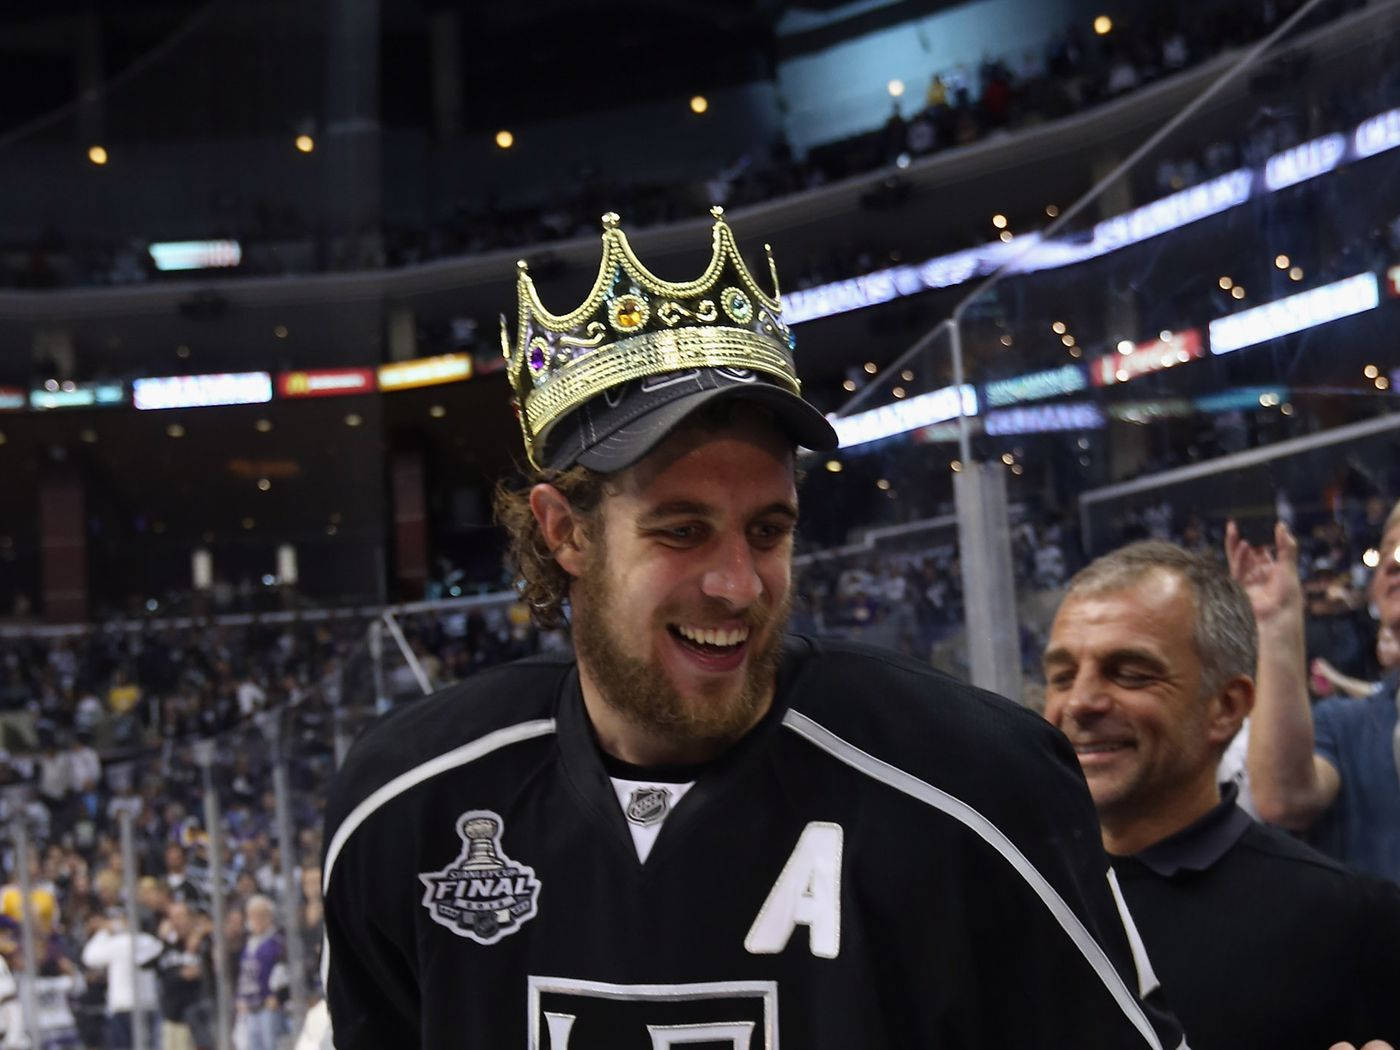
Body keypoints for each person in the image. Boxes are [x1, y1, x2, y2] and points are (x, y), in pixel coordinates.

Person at [321, 208, 1182, 1048]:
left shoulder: (977, 784)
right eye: (682, 530)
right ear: (565, 532)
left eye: (768, 531)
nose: (738, 585)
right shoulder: (408, 805)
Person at [1042, 540, 1400, 1049]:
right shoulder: (1013, 898)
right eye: (1061, 676)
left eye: (1130, 673)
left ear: (1227, 707)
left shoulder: (1350, 923)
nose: (1079, 702)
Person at [1225, 511, 1400, 882]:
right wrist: (1274, 621)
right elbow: (1283, 799)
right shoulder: (1347, 725)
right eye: (1389, 552)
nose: (1396, 560)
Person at [233, 896, 284, 1050]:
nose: (256, 920)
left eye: (260, 915)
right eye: (252, 915)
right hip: (249, 1006)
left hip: (266, 1006)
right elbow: (244, 975)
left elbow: (283, 971)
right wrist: (239, 997)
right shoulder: (249, 942)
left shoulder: (276, 941)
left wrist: (277, 995)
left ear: (269, 916)